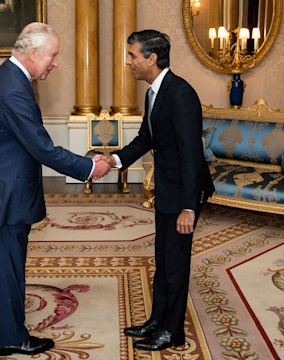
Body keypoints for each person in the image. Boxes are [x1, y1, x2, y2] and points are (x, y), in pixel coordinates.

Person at [0, 22, 111, 356]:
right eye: (53, 55)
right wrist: (90, 167)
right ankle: (12, 337)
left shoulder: (2, 76)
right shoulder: (14, 88)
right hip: (5, 194)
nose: (55, 63)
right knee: (9, 264)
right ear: (33, 53)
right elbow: (42, 148)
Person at [99, 29, 215, 351]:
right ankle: (157, 321)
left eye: (132, 55)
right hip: (167, 190)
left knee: (176, 265)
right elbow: (146, 139)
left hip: (183, 196)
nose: (128, 62)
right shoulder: (153, 92)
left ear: (152, 58)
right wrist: (115, 159)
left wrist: (189, 207)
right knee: (163, 261)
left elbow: (192, 154)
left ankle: (172, 332)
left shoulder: (180, 94)